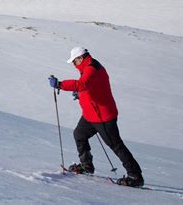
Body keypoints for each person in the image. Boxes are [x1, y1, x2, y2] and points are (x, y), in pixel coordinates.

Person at [48, 47, 144, 187]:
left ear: (80, 58)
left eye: (74, 62)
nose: (74, 65)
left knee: (116, 145)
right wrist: (80, 94)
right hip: (90, 115)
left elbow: (83, 84)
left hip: (103, 117)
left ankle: (135, 176)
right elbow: (90, 88)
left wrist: (60, 85)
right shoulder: (87, 67)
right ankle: (87, 166)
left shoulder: (92, 68)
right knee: (79, 135)